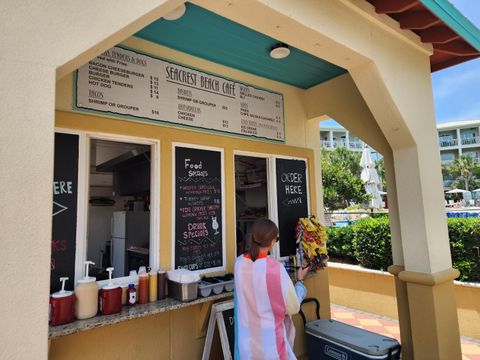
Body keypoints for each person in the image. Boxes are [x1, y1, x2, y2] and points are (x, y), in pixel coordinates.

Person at [234, 218, 309, 360]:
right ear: (273, 242)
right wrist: (299, 281)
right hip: (271, 347)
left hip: (245, 346)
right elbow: (292, 307)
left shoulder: (238, 264)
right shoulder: (275, 269)